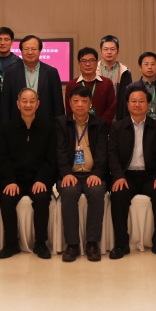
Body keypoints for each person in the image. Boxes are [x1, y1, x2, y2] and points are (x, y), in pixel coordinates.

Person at [108, 87, 156, 260]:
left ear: (148, 104)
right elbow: (112, 154)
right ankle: (121, 245)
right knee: (118, 194)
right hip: (126, 176)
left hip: (150, 176)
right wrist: (118, 176)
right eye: (134, 101)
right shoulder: (117, 127)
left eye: (141, 101)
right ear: (127, 104)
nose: (137, 105)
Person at [0, 88, 56, 260]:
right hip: (15, 179)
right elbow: (3, 158)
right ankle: (11, 244)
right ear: (18, 104)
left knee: (41, 197)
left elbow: (51, 159)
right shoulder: (7, 128)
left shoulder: (48, 128)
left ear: (38, 104)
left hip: (38, 179)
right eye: (24, 101)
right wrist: (10, 180)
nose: (28, 104)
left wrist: (42, 180)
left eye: (32, 101)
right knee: (7, 198)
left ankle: (40, 243)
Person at [56, 84, 108, 262]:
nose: (80, 105)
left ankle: (92, 243)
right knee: (69, 192)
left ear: (90, 103)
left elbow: (102, 153)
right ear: (70, 103)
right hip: (70, 174)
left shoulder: (100, 124)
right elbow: (60, 151)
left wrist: (97, 173)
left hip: (92, 173)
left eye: (84, 101)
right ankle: (72, 245)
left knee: (97, 191)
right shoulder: (61, 122)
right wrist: (65, 173)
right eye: (76, 101)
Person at [0, 35, 64, 122]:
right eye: (26, 49)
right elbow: (5, 103)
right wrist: (6, 126)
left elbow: (58, 104)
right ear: (21, 51)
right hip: (17, 123)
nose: (30, 52)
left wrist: (59, 126)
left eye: (34, 49)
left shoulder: (51, 72)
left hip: (45, 124)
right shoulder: (11, 72)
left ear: (40, 51)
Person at [117, 52, 156, 125]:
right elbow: (126, 111)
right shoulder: (131, 88)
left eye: (152, 64)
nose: (149, 67)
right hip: (138, 127)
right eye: (146, 64)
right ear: (140, 67)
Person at [65, 47, 117, 124]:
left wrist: (100, 125)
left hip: (102, 128)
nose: (88, 64)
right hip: (78, 127)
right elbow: (69, 109)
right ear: (79, 64)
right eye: (84, 61)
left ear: (97, 63)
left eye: (91, 60)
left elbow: (111, 108)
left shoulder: (107, 83)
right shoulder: (71, 85)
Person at [99, 35, 133, 101]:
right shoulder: (94, 70)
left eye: (112, 49)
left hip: (118, 106)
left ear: (118, 51)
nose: (109, 52)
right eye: (106, 49)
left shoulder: (125, 71)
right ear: (101, 51)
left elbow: (129, 95)